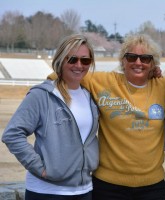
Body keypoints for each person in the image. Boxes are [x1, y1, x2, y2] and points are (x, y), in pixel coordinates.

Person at [49, 34, 165, 200]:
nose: (138, 62)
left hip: (152, 187)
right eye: (131, 57)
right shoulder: (101, 81)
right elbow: (63, 73)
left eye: (146, 58)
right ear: (122, 60)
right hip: (108, 185)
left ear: (153, 64)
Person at [2, 34, 100, 200]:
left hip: (84, 190)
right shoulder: (41, 95)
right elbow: (12, 134)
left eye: (85, 60)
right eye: (72, 59)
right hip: (47, 192)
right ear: (61, 60)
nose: (79, 65)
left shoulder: (90, 96)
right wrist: (40, 168)